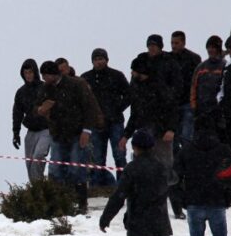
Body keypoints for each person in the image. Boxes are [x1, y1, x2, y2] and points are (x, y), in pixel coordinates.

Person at [121, 36, 180, 213]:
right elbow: (134, 114)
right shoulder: (136, 88)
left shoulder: (161, 87)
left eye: (134, 71)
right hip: (144, 132)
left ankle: (176, 207)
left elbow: (173, 107)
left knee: (166, 169)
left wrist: (171, 129)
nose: (132, 74)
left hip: (162, 133)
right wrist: (126, 135)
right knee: (141, 168)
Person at [36, 60, 103, 213]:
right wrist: (41, 109)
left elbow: (90, 107)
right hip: (57, 135)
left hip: (77, 134)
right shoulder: (46, 88)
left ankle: (81, 204)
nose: (44, 78)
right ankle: (58, 204)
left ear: (53, 74)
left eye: (45, 75)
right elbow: (36, 108)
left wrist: (87, 131)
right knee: (56, 170)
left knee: (76, 169)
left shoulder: (76, 84)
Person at [174, 126, 231, 236]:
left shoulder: (187, 151)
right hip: (217, 202)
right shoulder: (223, 150)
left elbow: (176, 178)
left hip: (194, 203)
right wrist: (227, 199)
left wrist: (182, 200)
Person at [81, 48, 131, 187]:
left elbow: (129, 95)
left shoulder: (117, 75)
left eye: (101, 59)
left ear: (107, 60)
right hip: (95, 124)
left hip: (115, 122)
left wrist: (115, 109)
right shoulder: (85, 78)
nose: (99, 62)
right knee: (97, 158)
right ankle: (98, 188)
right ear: (92, 61)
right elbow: (82, 101)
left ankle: (123, 186)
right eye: (96, 59)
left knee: (119, 155)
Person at [12, 59, 51, 182]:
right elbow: (17, 113)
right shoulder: (21, 92)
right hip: (31, 132)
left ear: (35, 72)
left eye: (30, 72)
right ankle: (36, 188)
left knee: (38, 156)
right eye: (25, 73)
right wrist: (16, 133)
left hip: (46, 130)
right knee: (29, 163)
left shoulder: (45, 87)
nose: (28, 75)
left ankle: (40, 185)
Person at [170, 31, 202, 147]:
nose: (173, 46)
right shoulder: (168, 58)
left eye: (176, 43)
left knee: (186, 136)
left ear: (183, 43)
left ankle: (187, 156)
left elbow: (198, 81)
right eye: (172, 43)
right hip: (173, 103)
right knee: (174, 138)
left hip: (188, 102)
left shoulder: (193, 59)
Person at [190, 35, 226, 135]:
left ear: (218, 49)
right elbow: (193, 88)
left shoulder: (225, 66)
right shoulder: (201, 67)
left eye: (213, 47)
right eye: (209, 47)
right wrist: (194, 107)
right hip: (201, 111)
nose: (210, 50)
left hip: (219, 113)